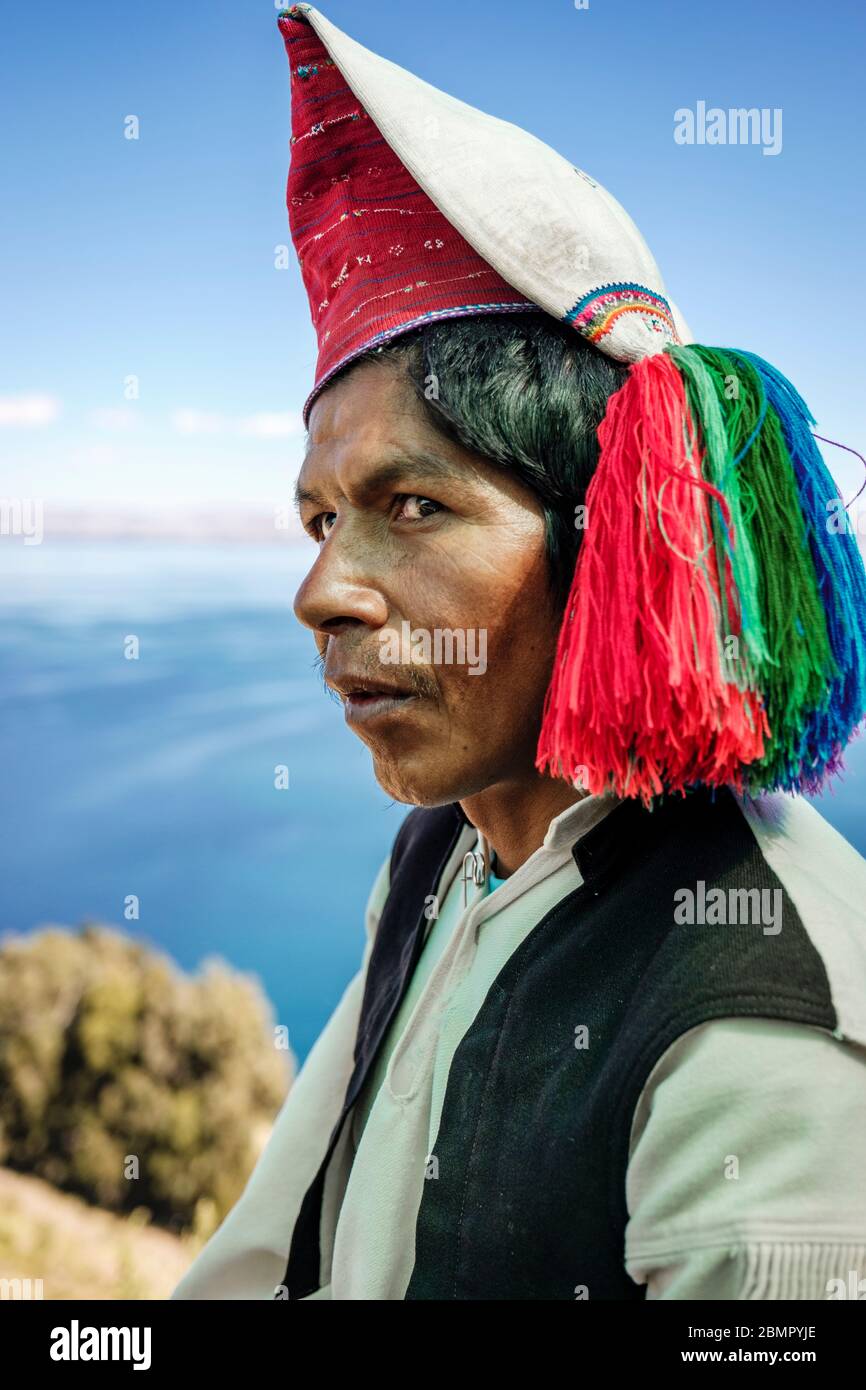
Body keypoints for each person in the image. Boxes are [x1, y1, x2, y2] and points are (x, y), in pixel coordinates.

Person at [171, 4, 866, 1300]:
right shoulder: (439, 847)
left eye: (414, 506)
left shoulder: (760, 1025)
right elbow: (277, 1247)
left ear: (610, 545)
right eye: (323, 519)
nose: (320, 591)